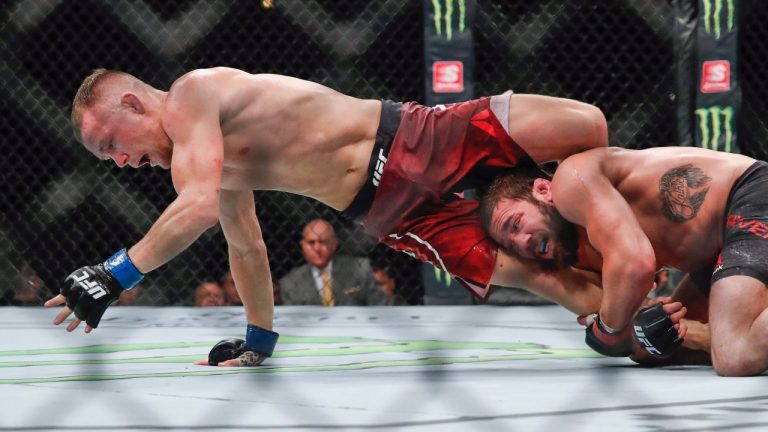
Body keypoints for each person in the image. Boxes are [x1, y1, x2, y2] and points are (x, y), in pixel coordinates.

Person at [46, 67, 608, 367]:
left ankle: (633, 243)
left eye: (112, 144)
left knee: (585, 126)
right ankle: (662, 325)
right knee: (547, 278)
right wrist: (258, 338)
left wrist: (113, 273)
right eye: (106, 159)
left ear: (133, 104)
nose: (120, 162)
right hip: (389, 210)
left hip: (410, 136)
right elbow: (245, 247)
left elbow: (193, 209)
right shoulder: (205, 164)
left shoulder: (192, 96)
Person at [480, 146, 767, 376]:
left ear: (543, 190)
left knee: (734, 356)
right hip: (719, 251)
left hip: (750, 196)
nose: (519, 242)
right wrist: (622, 330)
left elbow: (635, 266)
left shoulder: (571, 179)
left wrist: (606, 329)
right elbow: (631, 333)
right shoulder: (583, 250)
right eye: (509, 244)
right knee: (655, 346)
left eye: (515, 225)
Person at [280, 219, 384, 306]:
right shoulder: (290, 283)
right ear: (302, 246)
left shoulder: (360, 269)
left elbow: (380, 306)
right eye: (311, 243)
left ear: (334, 244)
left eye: (323, 242)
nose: (317, 248)